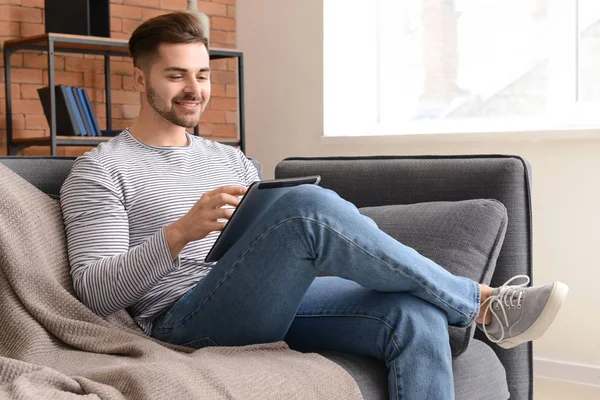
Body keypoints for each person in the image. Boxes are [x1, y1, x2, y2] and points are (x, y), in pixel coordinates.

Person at [60, 12, 569, 400]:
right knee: (304, 207)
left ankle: (465, 304)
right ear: (138, 79)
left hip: (267, 300)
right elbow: (95, 291)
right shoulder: (103, 170)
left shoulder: (233, 161)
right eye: (176, 76)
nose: (194, 89)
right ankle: (479, 302)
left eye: (202, 75)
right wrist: (181, 232)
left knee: (413, 315)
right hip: (182, 318)